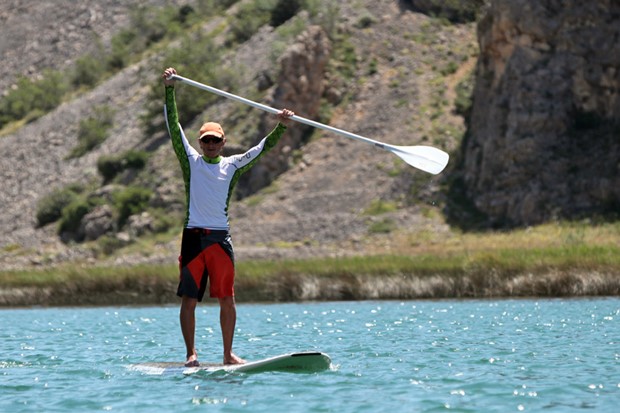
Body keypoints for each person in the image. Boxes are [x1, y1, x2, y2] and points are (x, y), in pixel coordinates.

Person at [162, 67, 294, 366]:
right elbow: (173, 125)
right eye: (206, 140)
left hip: (220, 239)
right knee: (189, 299)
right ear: (200, 143)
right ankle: (191, 354)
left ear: (223, 142)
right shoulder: (191, 161)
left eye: (215, 140)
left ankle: (227, 354)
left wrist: (282, 126)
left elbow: (261, 150)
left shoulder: (233, 165)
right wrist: (169, 89)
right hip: (194, 237)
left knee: (227, 298)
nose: (210, 145)